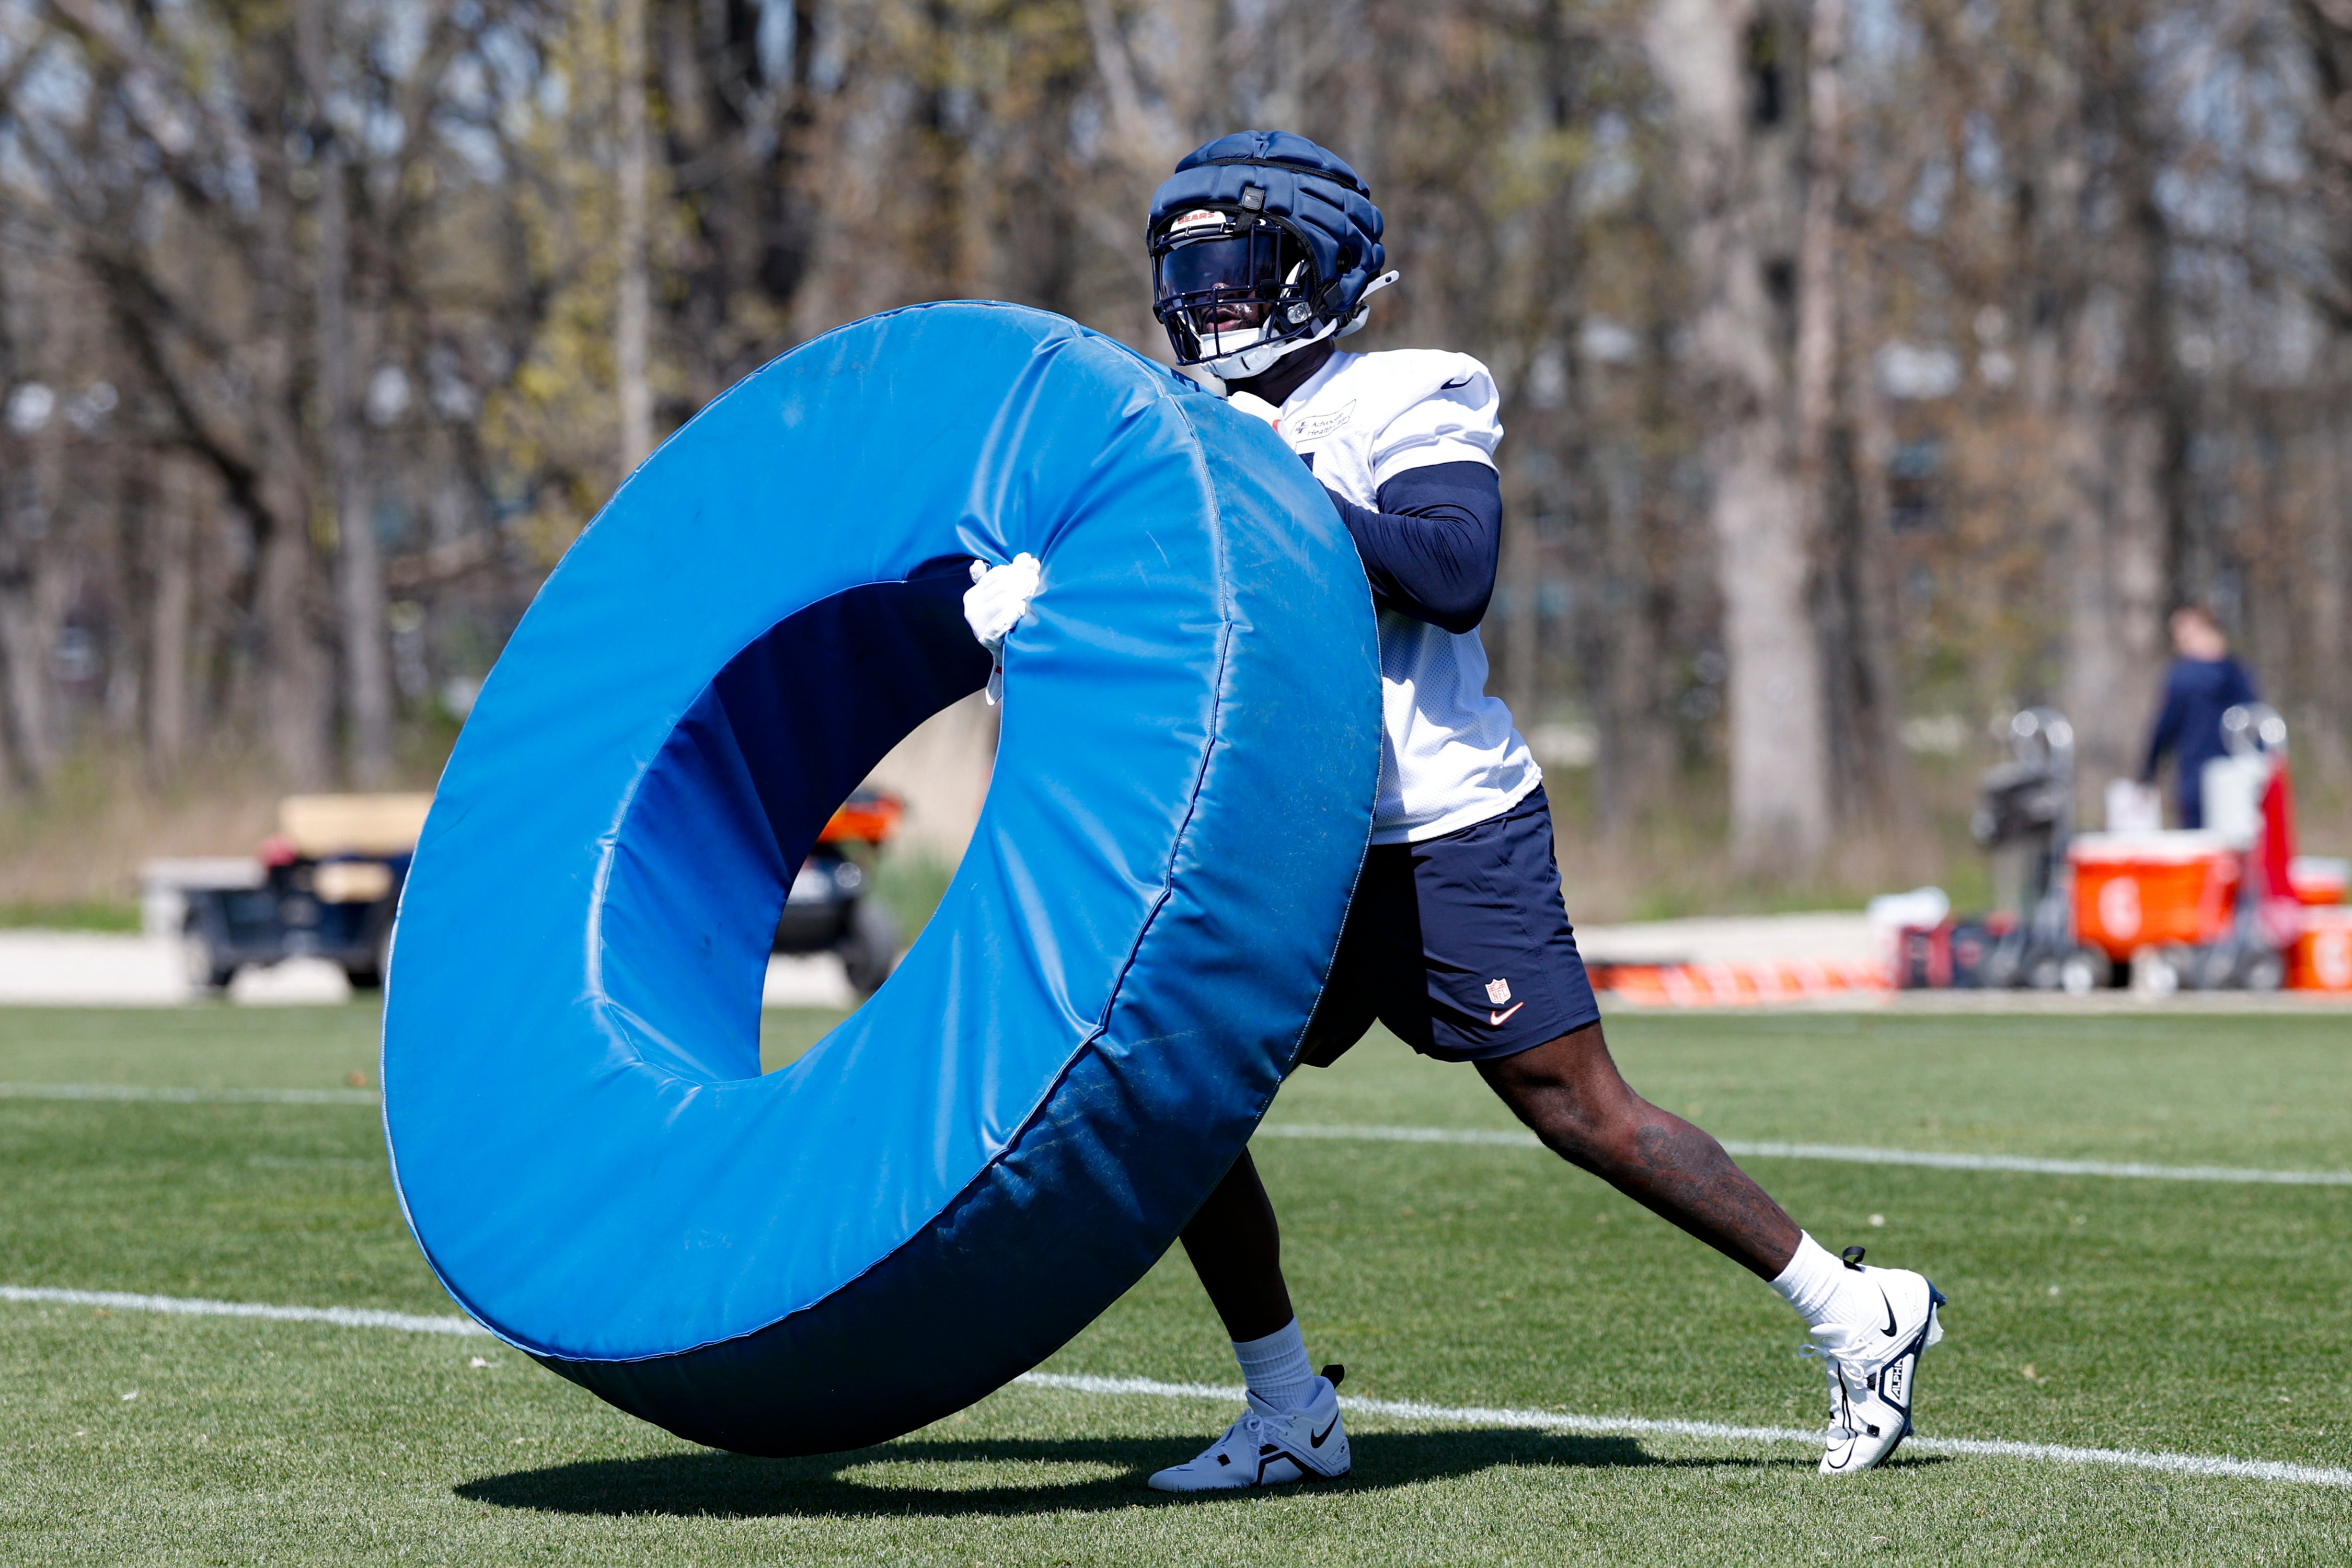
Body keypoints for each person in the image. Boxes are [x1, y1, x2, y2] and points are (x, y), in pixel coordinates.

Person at [1138, 130, 1944, 1490]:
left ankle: (1856, 1309)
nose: (1208, 298)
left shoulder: (1403, 391)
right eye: (1188, 268)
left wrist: (1275, 478)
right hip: (1282, 840)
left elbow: (1454, 572)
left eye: (1238, 263)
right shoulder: (1172, 429)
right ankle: (1285, 1407)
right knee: (1173, 1105)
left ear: (1315, 271)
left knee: (1579, 1110)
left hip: (1436, 827)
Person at [2140, 605, 2258, 830]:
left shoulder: (2182, 677)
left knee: (2200, 852)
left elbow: (2164, 729)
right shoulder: (2242, 675)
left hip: (2195, 780)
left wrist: (2147, 772)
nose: (2178, 644)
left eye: (2183, 636)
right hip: (2238, 781)